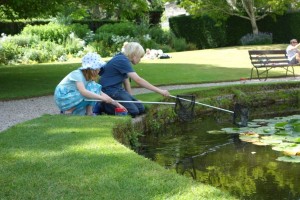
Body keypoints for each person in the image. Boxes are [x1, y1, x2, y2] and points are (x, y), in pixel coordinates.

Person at [95, 42, 170, 117]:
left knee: (140, 108)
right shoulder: (122, 60)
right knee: (133, 111)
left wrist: (131, 99)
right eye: (140, 57)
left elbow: (126, 81)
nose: (140, 60)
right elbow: (138, 80)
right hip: (109, 91)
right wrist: (161, 91)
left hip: (117, 90)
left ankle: (108, 105)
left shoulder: (123, 58)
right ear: (134, 55)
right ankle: (104, 106)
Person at [54, 52, 126, 115]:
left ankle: (89, 112)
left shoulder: (89, 79)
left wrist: (117, 104)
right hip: (63, 97)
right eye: (98, 68)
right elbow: (83, 92)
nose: (99, 70)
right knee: (91, 92)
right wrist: (102, 98)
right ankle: (69, 111)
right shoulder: (77, 74)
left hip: (72, 95)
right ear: (91, 69)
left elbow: (100, 93)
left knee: (94, 88)